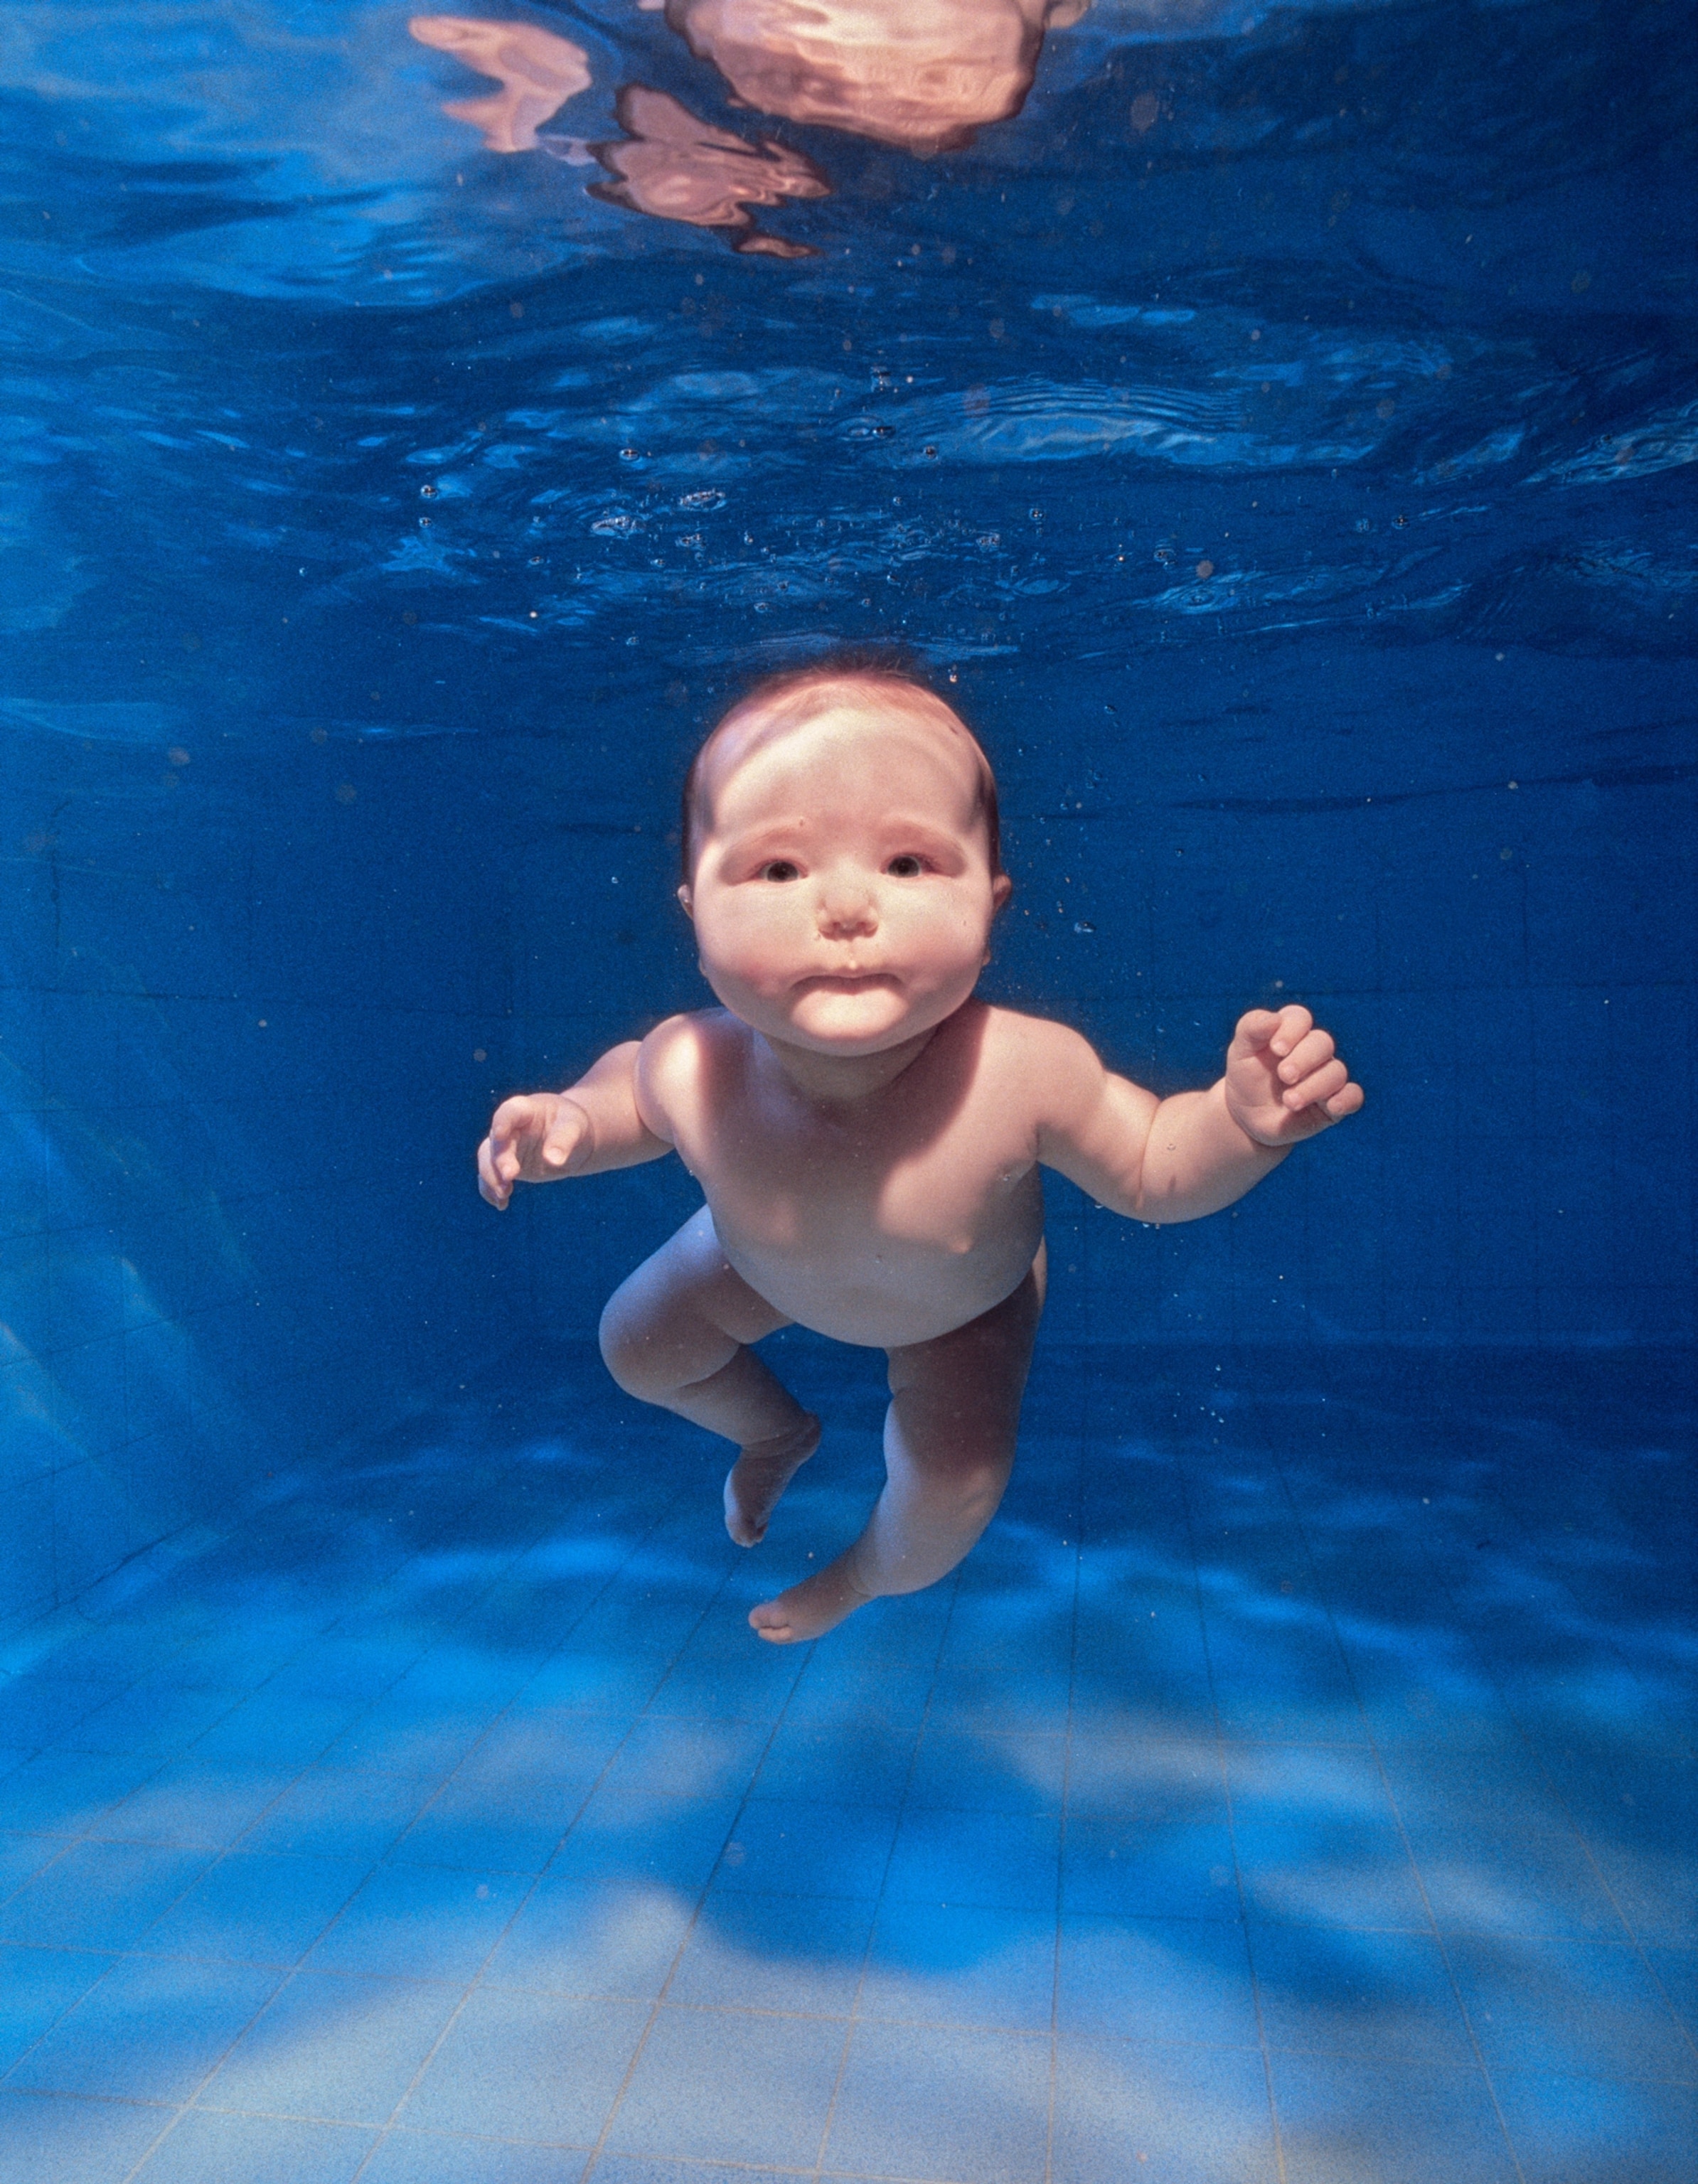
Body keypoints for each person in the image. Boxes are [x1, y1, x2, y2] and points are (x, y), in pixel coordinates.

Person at [476, 665, 1362, 1642]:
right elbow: (623, 1092)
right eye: (778, 871)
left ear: (992, 907)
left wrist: (1238, 1126)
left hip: (964, 1309)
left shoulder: (1026, 1071)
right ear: (695, 913)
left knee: (956, 1486)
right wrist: (566, 1127)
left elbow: (1153, 1170)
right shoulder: (692, 1063)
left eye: (907, 865)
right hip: (758, 1264)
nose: (849, 906)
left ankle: (864, 1575)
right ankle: (774, 1431)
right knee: (636, 1346)